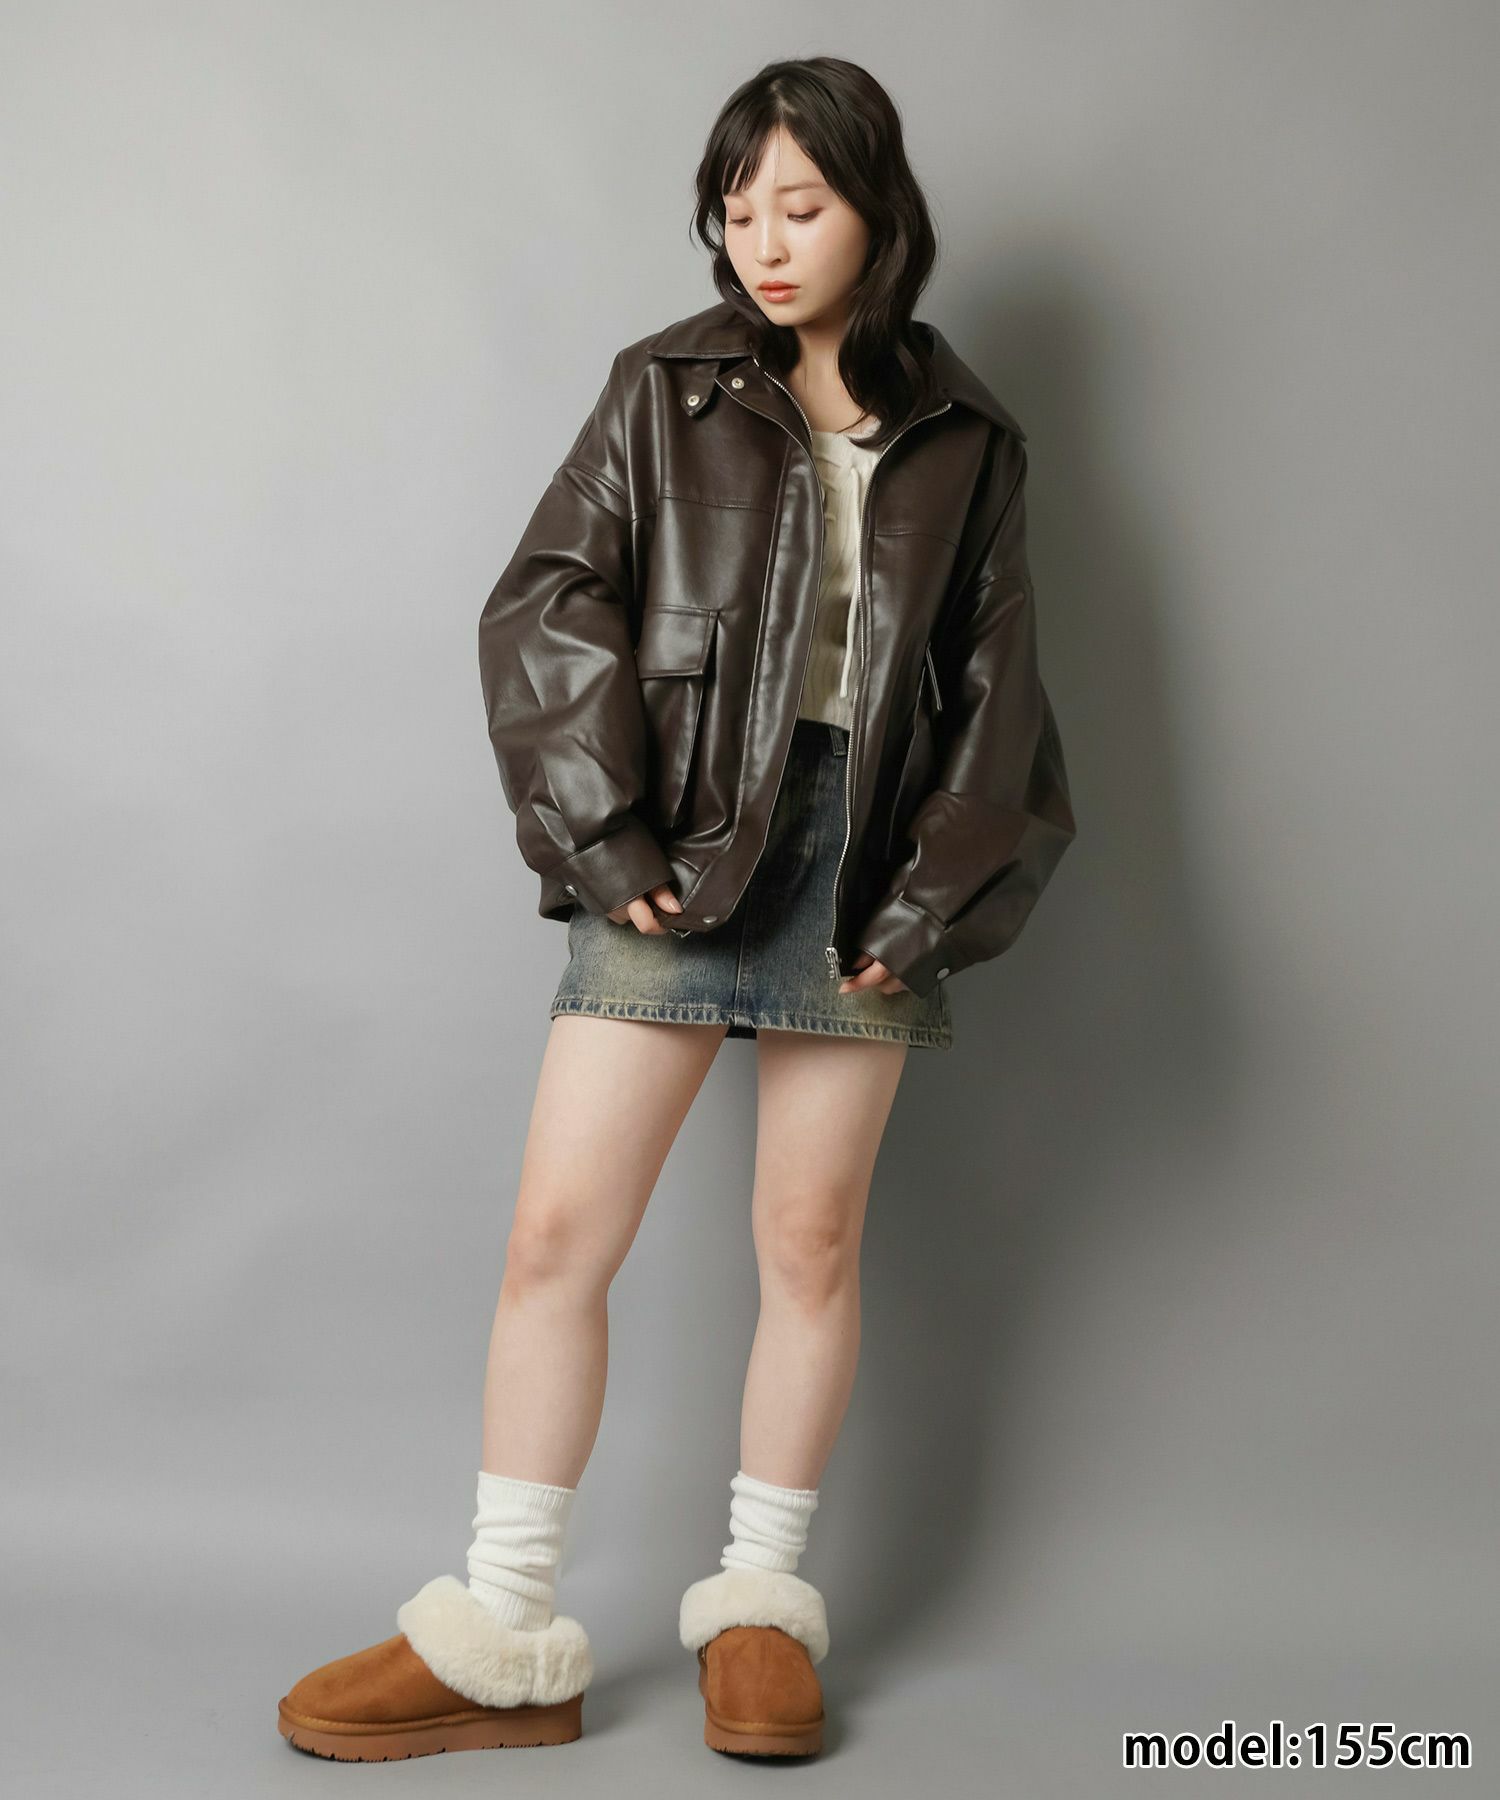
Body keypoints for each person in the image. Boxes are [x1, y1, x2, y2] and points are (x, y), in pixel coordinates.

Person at [277, 54, 1075, 1764]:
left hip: (860, 860)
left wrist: (928, 907)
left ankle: (761, 1611)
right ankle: (506, 1627)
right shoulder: (666, 386)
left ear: (878, 212)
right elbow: (547, 602)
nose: (764, 242)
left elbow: (999, 704)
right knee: (557, 1237)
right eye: (738, 207)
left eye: (802, 205)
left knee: (811, 1244)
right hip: (678, 845)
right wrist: (602, 825)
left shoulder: (970, 437)